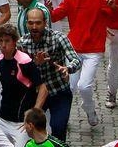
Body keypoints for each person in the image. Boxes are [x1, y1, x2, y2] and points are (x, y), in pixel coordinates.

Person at [50, 0, 116, 127]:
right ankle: (63, 119)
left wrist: (113, 7)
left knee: (84, 85)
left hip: (93, 51)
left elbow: (113, 15)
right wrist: (48, 10)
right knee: (70, 88)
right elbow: (55, 15)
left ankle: (89, 110)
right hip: (73, 51)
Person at [18, 8, 81, 141]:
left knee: (58, 127)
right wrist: (35, 65)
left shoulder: (58, 38)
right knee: (31, 127)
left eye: (38, 23)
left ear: (45, 22)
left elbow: (76, 60)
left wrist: (67, 69)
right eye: (31, 23)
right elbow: (20, 72)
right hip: (37, 94)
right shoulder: (23, 43)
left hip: (59, 91)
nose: (34, 27)